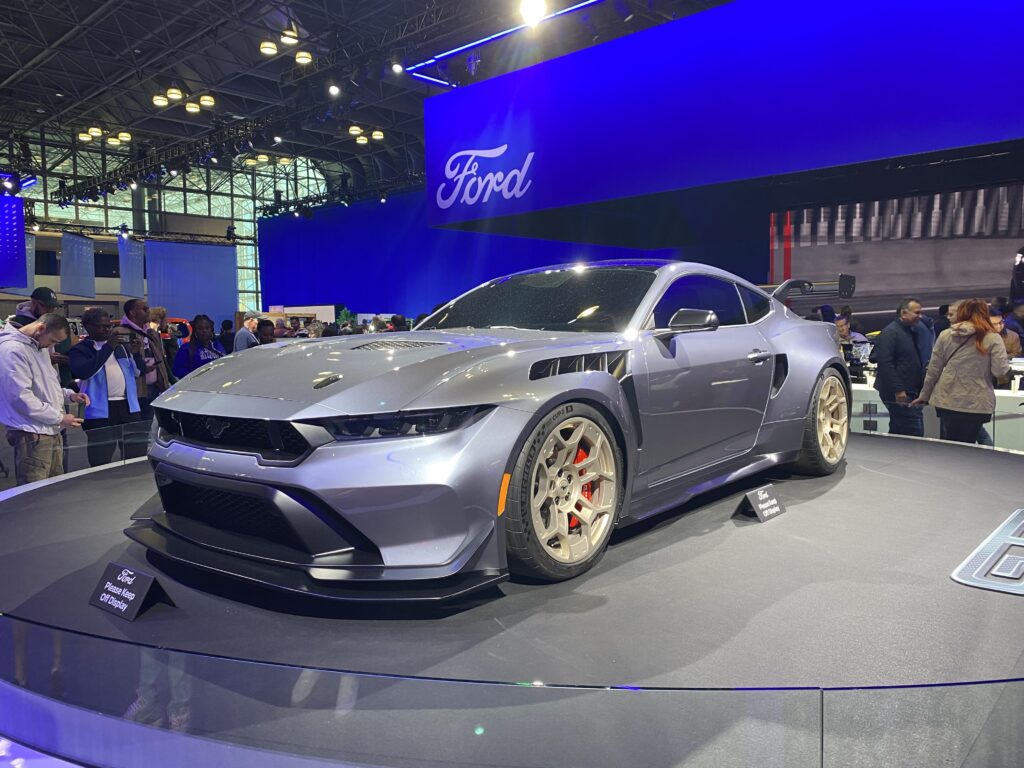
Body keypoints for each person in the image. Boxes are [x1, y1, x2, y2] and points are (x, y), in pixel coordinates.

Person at [0, 314, 89, 485]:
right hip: (32, 433)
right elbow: (21, 398)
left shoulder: (38, 347)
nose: (52, 346)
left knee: (53, 488)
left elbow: (47, 384)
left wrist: (69, 395)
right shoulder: (13, 350)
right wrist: (60, 418)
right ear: (40, 328)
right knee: (34, 491)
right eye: (53, 340)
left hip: (50, 430)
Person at [912, 298, 1010, 443]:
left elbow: (933, 370)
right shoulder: (993, 338)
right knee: (969, 445)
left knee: (951, 443)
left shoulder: (946, 335)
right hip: (976, 401)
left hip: (947, 399)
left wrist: (924, 395)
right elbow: (999, 371)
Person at [69, 308, 145, 467]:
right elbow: (84, 372)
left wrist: (136, 354)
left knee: (135, 452)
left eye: (108, 326)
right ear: (88, 327)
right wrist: (108, 347)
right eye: (101, 326)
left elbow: (138, 372)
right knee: (101, 454)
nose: (107, 330)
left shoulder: (121, 347)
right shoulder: (81, 350)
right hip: (99, 409)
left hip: (128, 406)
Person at [873, 297, 926, 437]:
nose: (920, 316)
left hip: (907, 390)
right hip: (900, 393)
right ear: (903, 313)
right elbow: (885, 364)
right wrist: (898, 390)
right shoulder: (890, 333)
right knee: (913, 431)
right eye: (917, 313)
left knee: (899, 430)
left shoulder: (907, 331)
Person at [121, 299, 170, 420]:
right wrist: (142, 367)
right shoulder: (121, 333)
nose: (148, 311)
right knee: (134, 429)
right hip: (134, 391)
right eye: (144, 309)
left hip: (153, 387)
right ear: (132, 313)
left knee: (147, 426)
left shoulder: (151, 333)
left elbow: (161, 358)